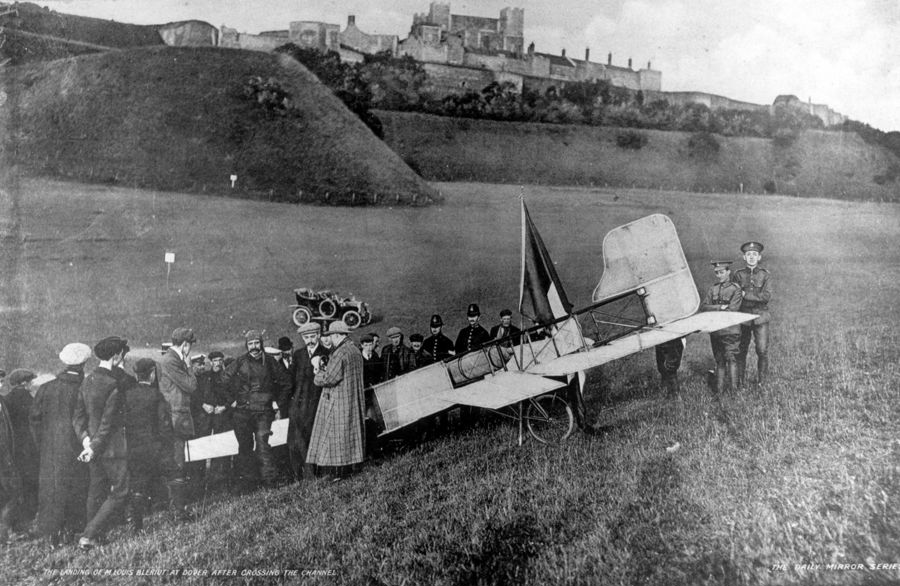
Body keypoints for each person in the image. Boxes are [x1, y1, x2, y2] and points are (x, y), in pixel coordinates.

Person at [29, 343, 92, 547]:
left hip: (49, 450)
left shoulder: (46, 388)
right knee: (76, 488)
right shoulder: (83, 387)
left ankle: (51, 534)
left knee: (52, 490)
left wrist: (43, 444)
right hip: (76, 446)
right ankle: (72, 530)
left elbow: (34, 420)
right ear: (83, 364)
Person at [72, 336, 130, 549]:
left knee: (96, 491)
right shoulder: (113, 384)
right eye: (122, 354)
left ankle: (94, 534)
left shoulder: (87, 381)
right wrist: (94, 447)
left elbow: (78, 418)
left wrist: (87, 443)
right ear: (116, 357)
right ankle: (89, 535)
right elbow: (107, 423)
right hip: (111, 449)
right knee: (121, 490)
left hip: (92, 448)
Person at [224, 330, 291, 488]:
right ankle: (247, 484)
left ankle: (270, 481)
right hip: (242, 412)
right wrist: (231, 401)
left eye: (256, 343)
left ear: (261, 344)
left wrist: (277, 403)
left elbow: (286, 382)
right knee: (245, 447)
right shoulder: (239, 362)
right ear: (247, 346)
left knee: (263, 444)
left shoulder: (270, 362)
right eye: (250, 344)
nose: (254, 347)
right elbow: (223, 381)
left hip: (264, 411)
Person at [308, 322, 366, 479]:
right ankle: (351, 469)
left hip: (339, 399)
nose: (330, 340)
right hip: (352, 397)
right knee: (350, 434)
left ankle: (339, 473)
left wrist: (317, 372)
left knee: (337, 436)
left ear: (337, 335)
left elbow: (329, 378)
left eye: (331, 336)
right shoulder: (354, 350)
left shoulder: (340, 353)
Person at [125, 358, 174, 532]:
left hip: (134, 447)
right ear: (152, 374)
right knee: (173, 476)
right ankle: (179, 514)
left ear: (136, 375)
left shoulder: (128, 395)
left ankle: (136, 526)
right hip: (155, 447)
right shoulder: (156, 396)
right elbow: (164, 424)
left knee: (138, 485)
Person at [158, 327, 199, 519]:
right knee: (177, 463)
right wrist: (189, 365)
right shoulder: (172, 361)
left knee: (178, 462)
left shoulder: (170, 359)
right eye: (189, 345)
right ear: (185, 345)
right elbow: (190, 386)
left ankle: (178, 508)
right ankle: (178, 511)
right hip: (175, 418)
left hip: (176, 417)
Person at [288, 323, 329, 481]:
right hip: (299, 404)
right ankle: (301, 476)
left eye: (312, 336)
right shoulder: (299, 355)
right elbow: (292, 379)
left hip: (317, 402)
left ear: (318, 335)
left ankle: (317, 473)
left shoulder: (326, 353)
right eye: (306, 337)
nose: (310, 340)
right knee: (297, 440)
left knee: (315, 437)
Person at [732, 241, 773, 386]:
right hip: (743, 318)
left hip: (760, 317)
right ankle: (740, 383)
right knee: (741, 350)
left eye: (754, 254)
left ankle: (762, 383)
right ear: (744, 257)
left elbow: (766, 297)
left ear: (759, 257)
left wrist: (746, 295)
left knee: (762, 350)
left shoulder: (765, 275)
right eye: (748, 254)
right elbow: (735, 295)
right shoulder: (738, 275)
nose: (751, 257)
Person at [4, 369, 39, 530]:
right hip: (28, 447)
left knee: (15, 486)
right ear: (24, 383)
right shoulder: (29, 399)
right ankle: (25, 521)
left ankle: (15, 523)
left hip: (12, 449)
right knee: (30, 483)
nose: (32, 385)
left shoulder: (6, 399)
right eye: (30, 382)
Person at [702, 261, 743, 393]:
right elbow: (704, 307)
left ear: (728, 272)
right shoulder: (713, 289)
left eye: (722, 272)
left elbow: (733, 309)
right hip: (716, 331)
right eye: (717, 273)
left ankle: (733, 392)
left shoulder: (735, 288)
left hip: (731, 330)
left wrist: (715, 310)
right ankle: (719, 392)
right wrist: (720, 307)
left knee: (731, 359)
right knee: (719, 360)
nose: (719, 275)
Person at [195, 351, 233, 488]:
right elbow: (196, 395)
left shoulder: (227, 377)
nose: (218, 363)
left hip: (221, 417)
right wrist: (204, 405)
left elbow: (233, 397)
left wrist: (224, 407)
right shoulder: (204, 377)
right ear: (210, 362)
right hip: (205, 417)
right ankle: (199, 481)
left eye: (220, 360)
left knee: (221, 448)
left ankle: (218, 482)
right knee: (201, 446)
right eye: (215, 361)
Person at [0, 390, 21, 544]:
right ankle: (4, 533)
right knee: (13, 491)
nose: (1, 384)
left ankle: (6, 531)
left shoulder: (2, 401)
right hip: (3, 455)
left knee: (11, 491)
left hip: (6, 454)